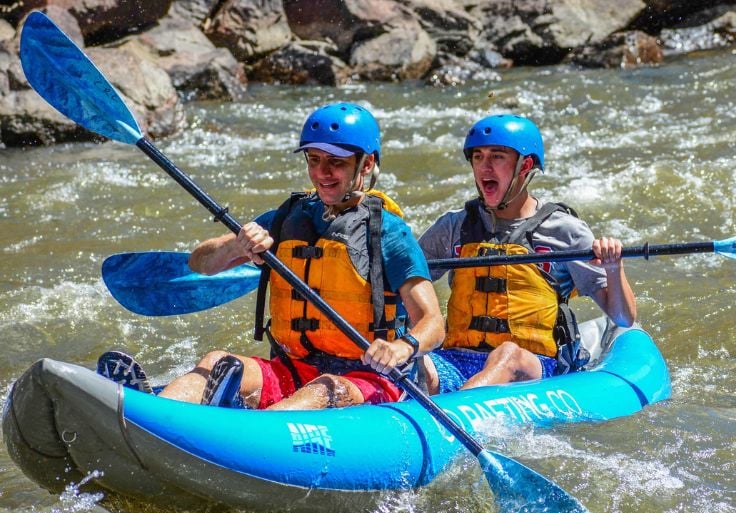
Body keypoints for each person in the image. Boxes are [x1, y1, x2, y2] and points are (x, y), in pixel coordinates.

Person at [100, 103, 444, 410]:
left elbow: (432, 322)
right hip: (291, 368)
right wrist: (238, 246)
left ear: (366, 164)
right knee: (216, 361)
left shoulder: (388, 233)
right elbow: (200, 263)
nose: (322, 172)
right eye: (315, 160)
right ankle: (151, 415)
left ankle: (240, 435)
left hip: (365, 380)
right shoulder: (288, 218)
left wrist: (403, 348)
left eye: (336, 163)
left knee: (322, 389)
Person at [416, 114, 636, 393]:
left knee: (507, 354)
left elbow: (623, 318)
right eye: (478, 157)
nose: (485, 167)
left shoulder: (564, 231)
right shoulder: (454, 226)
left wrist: (614, 268)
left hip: (533, 365)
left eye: (497, 157)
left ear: (525, 165)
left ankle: (455, 409)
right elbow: (404, 284)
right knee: (411, 361)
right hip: (456, 359)